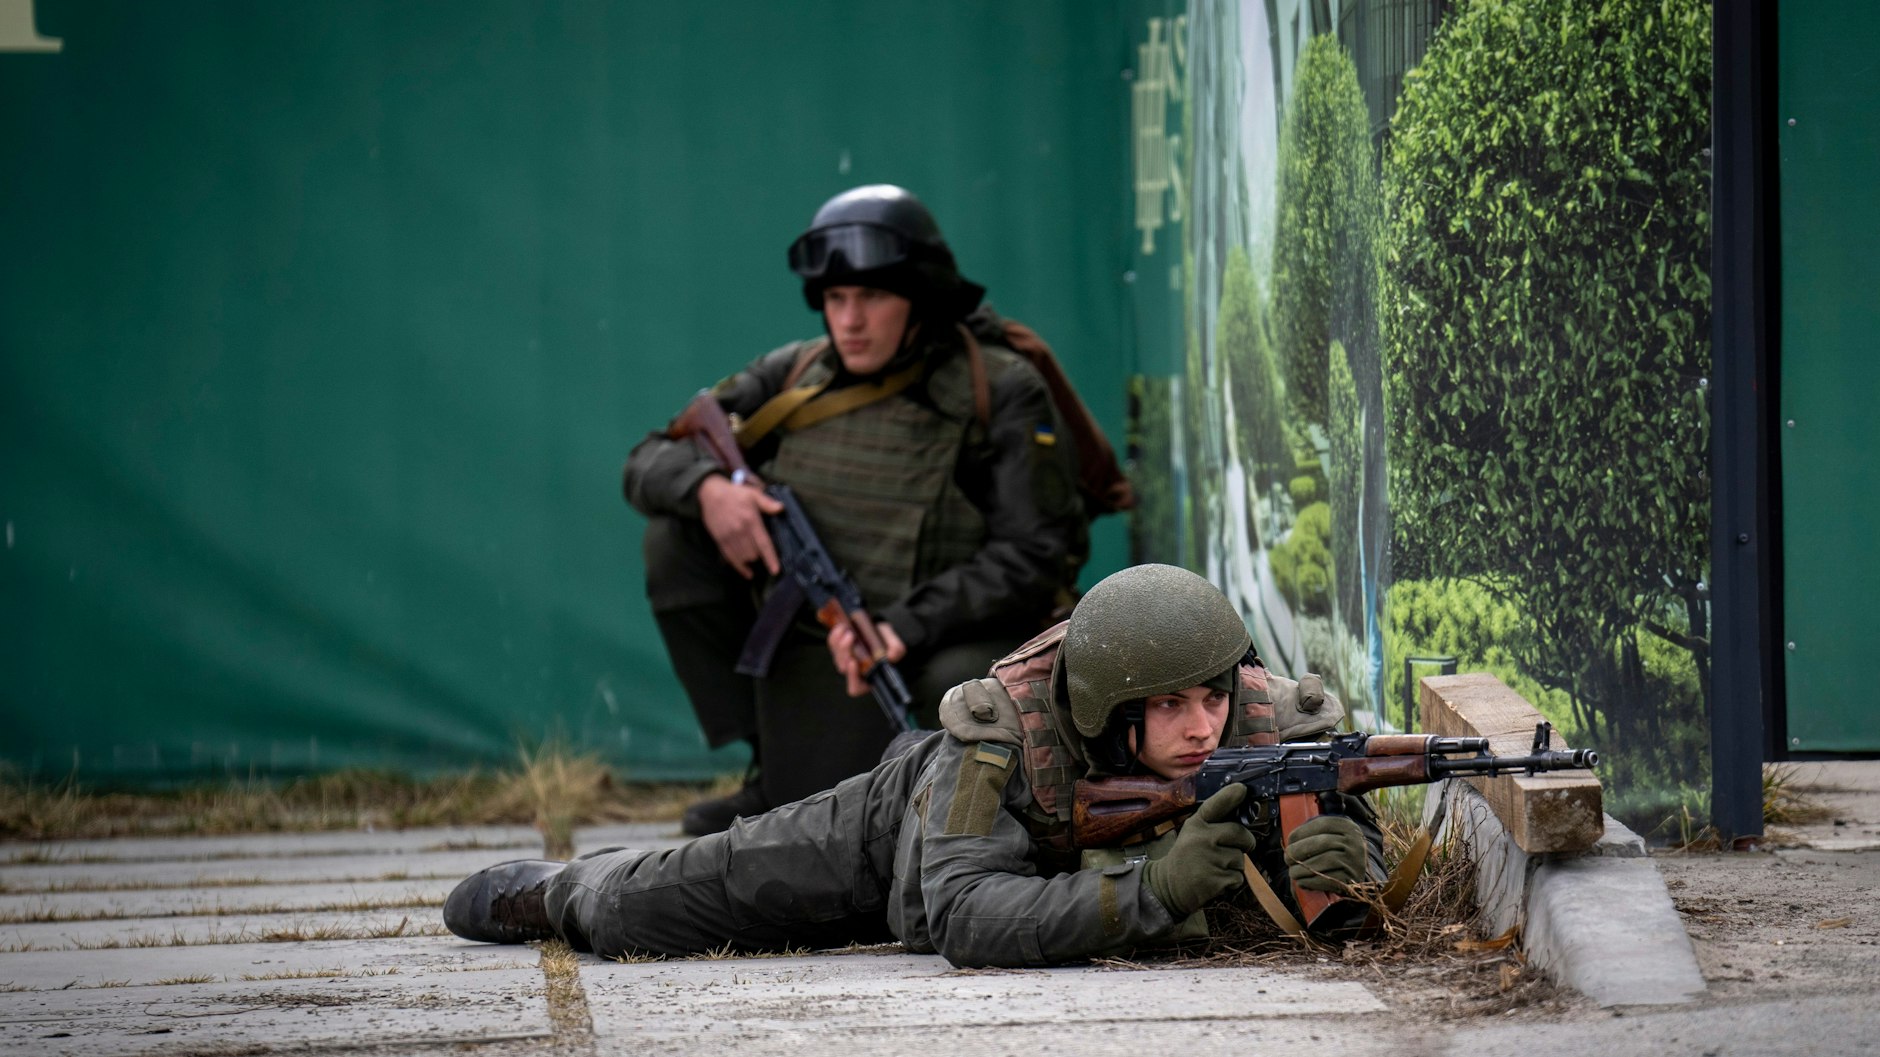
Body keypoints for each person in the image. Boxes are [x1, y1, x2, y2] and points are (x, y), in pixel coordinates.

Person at [443, 564, 1386, 967]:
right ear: (1106, 709)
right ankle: (555, 888)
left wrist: (1348, 866)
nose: (1200, 725)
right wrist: (1160, 890)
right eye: (1169, 707)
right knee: (641, 911)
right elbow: (961, 914)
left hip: (1019, 867)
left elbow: (1355, 853)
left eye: (1210, 698)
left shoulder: (1280, 726)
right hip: (894, 834)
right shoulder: (999, 735)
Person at [622, 184, 1089, 835]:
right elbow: (647, 458)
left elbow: (1034, 556)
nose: (851, 320)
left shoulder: (998, 388)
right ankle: (769, 769)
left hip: (934, 635)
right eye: (837, 299)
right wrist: (709, 489)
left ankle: (962, 808)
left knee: (959, 688)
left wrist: (907, 624)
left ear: (919, 297)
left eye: (872, 297)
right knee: (675, 539)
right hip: (820, 628)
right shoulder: (795, 373)